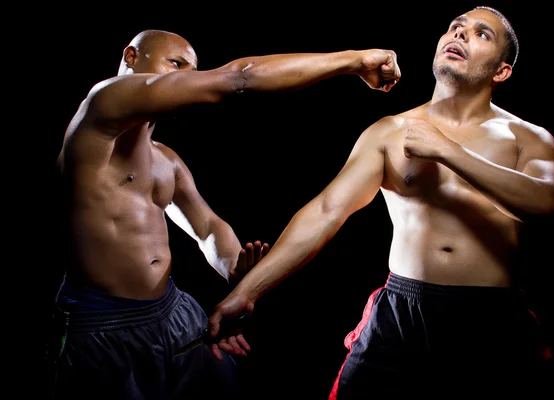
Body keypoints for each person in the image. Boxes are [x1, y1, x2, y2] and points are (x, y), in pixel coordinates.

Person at [208, 6, 554, 398]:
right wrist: (247, 292)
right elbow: (327, 211)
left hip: (490, 319)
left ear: (501, 70)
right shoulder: (390, 131)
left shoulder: (526, 137)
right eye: (455, 27)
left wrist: (448, 151)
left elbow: (548, 202)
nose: (460, 35)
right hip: (402, 312)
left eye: (483, 34)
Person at [45, 28, 401, 400]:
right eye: (176, 64)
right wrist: (354, 60)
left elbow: (208, 228)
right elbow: (238, 79)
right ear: (131, 57)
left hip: (174, 313)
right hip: (102, 325)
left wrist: (234, 272)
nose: (186, 77)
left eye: (193, 70)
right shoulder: (101, 108)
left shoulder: (166, 160)